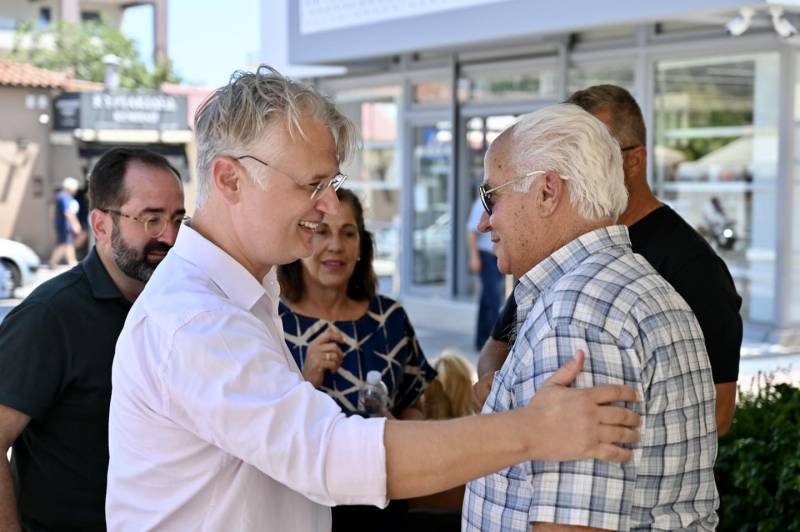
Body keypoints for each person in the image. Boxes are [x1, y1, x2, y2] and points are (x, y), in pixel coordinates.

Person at [105, 65, 642, 532]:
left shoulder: (236, 297)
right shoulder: (196, 318)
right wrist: (532, 430)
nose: (328, 204)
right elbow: (331, 456)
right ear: (230, 179)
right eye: (312, 184)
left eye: (331, 183)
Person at [463, 103, 718, 531]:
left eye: (492, 196)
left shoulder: (577, 317)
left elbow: (573, 524)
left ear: (547, 192)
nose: (485, 222)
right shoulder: (621, 288)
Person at [474, 84, 742, 436]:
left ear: (634, 160)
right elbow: (497, 346)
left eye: (596, 149)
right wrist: (507, 392)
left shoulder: (693, 267)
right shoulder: (559, 261)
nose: (579, 162)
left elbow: (715, 414)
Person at [0, 147, 185, 531]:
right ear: (100, 225)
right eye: (151, 219)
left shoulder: (180, 305)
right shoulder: (49, 317)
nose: (169, 236)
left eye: (177, 219)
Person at [279, 188, 436, 531]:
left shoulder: (390, 318)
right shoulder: (275, 322)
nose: (336, 245)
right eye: (322, 231)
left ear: (362, 245)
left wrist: (398, 427)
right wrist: (307, 378)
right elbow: (266, 428)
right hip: (299, 507)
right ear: (303, 238)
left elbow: (415, 405)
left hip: (382, 502)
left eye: (348, 233)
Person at [467, 196, 504, 351]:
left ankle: (481, 341)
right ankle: (495, 345)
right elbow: (471, 232)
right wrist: (474, 257)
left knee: (486, 300)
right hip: (486, 257)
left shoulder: (500, 200)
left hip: (497, 256)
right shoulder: (481, 202)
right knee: (494, 300)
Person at [48, 176, 83, 268]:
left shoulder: (62, 196)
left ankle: (71, 261)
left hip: (63, 224)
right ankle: (54, 262)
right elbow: (68, 212)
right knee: (64, 243)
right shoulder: (64, 197)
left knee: (68, 243)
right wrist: (75, 224)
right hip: (65, 225)